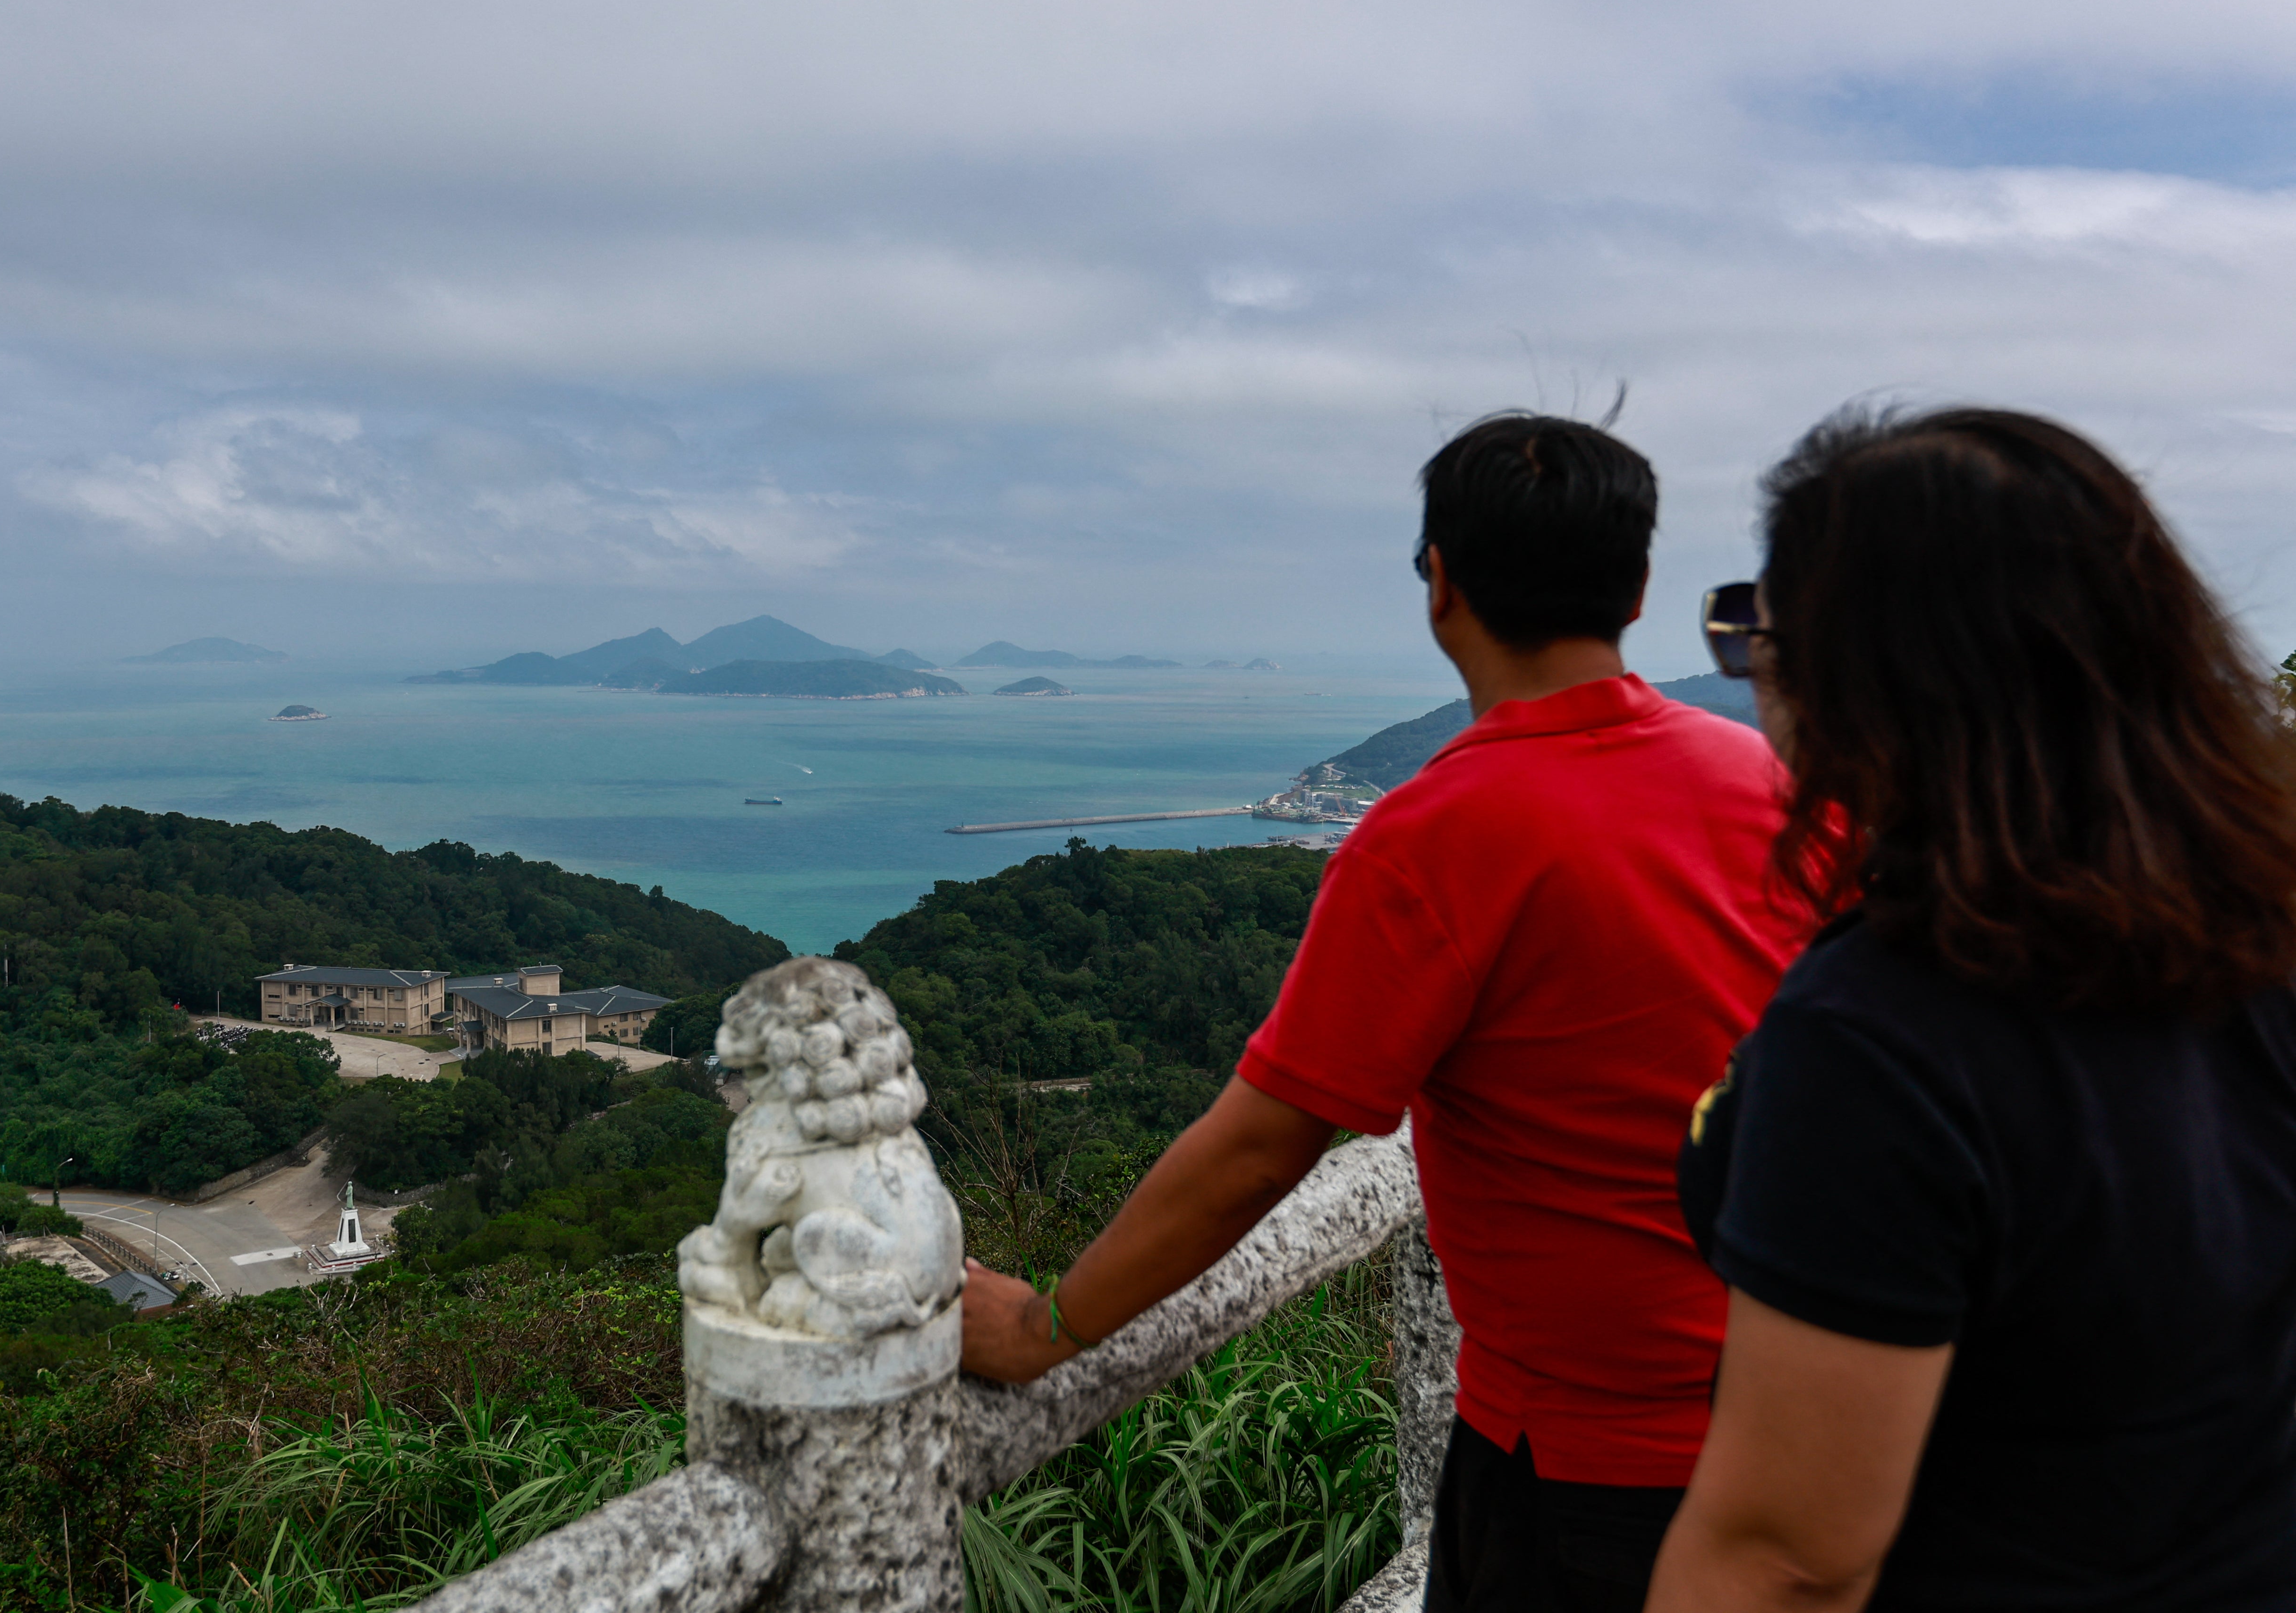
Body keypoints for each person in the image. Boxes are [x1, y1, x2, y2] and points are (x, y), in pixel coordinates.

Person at [962, 411, 1817, 1612]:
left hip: (1581, 1469)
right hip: (1822, 1415)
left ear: (1440, 585)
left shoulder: (1430, 841)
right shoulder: (1773, 783)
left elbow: (1261, 1147)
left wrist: (1045, 1324)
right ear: (1636, 588)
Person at [1651, 408, 2296, 1611]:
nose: (1755, 675)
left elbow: (1788, 1558)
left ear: (1863, 680)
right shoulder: (2258, 921)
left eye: (1760, 637)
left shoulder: (1885, 1030)